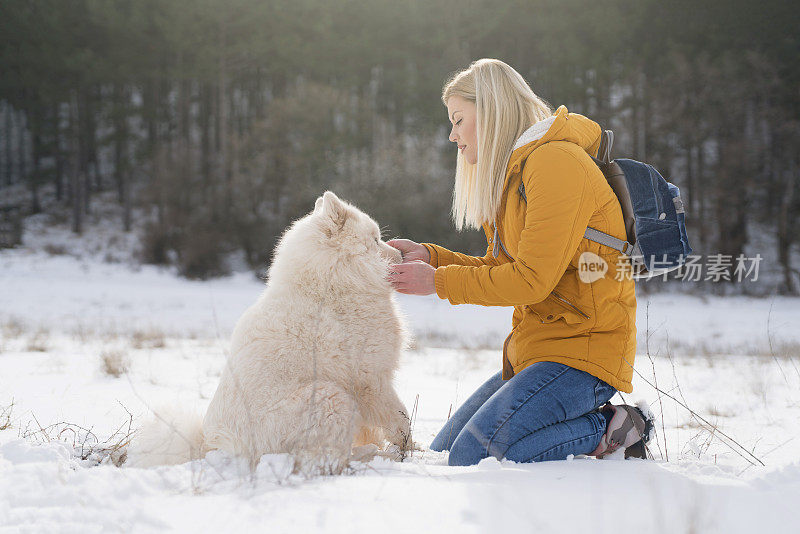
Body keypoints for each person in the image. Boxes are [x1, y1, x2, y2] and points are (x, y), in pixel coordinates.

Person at [386, 58, 652, 466]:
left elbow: (530, 281)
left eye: (459, 120)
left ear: (490, 112)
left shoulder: (555, 163)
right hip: (539, 351)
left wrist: (437, 282)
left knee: (473, 456)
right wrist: (434, 259)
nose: (452, 135)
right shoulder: (515, 174)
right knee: (441, 455)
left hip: (583, 352)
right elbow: (501, 269)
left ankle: (614, 427)